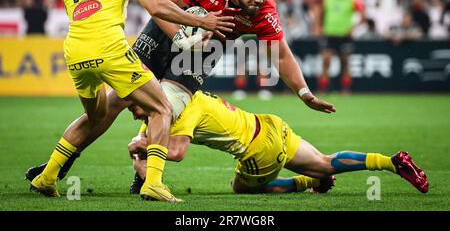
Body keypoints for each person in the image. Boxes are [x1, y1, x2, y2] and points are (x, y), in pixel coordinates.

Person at [26, 0, 336, 197]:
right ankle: (61, 163)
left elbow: (280, 54)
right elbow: (159, 2)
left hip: (202, 53)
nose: (259, 0)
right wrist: (185, 37)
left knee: (167, 106)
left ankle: (145, 175)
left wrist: (304, 93)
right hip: (165, 30)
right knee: (115, 100)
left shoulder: (264, 11)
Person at [29, 0, 234, 203]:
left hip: (74, 51)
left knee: (96, 116)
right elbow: (155, 6)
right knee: (161, 108)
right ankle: (153, 183)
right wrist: (199, 20)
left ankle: (47, 176)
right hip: (110, 48)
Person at [127, 91, 429, 195]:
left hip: (261, 152)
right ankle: (392, 162)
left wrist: (140, 148)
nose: (130, 109)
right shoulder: (184, 99)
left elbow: (176, 153)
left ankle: (305, 182)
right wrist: (141, 145)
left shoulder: (182, 114)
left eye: (132, 104)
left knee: (241, 189)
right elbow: (148, 137)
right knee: (325, 161)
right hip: (271, 125)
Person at [318, 0, 365, 93]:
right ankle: (323, 89)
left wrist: (353, 28)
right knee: (326, 60)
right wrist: (319, 26)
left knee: (345, 62)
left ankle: (345, 90)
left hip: (345, 36)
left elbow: (363, 15)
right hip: (330, 34)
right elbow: (321, 12)